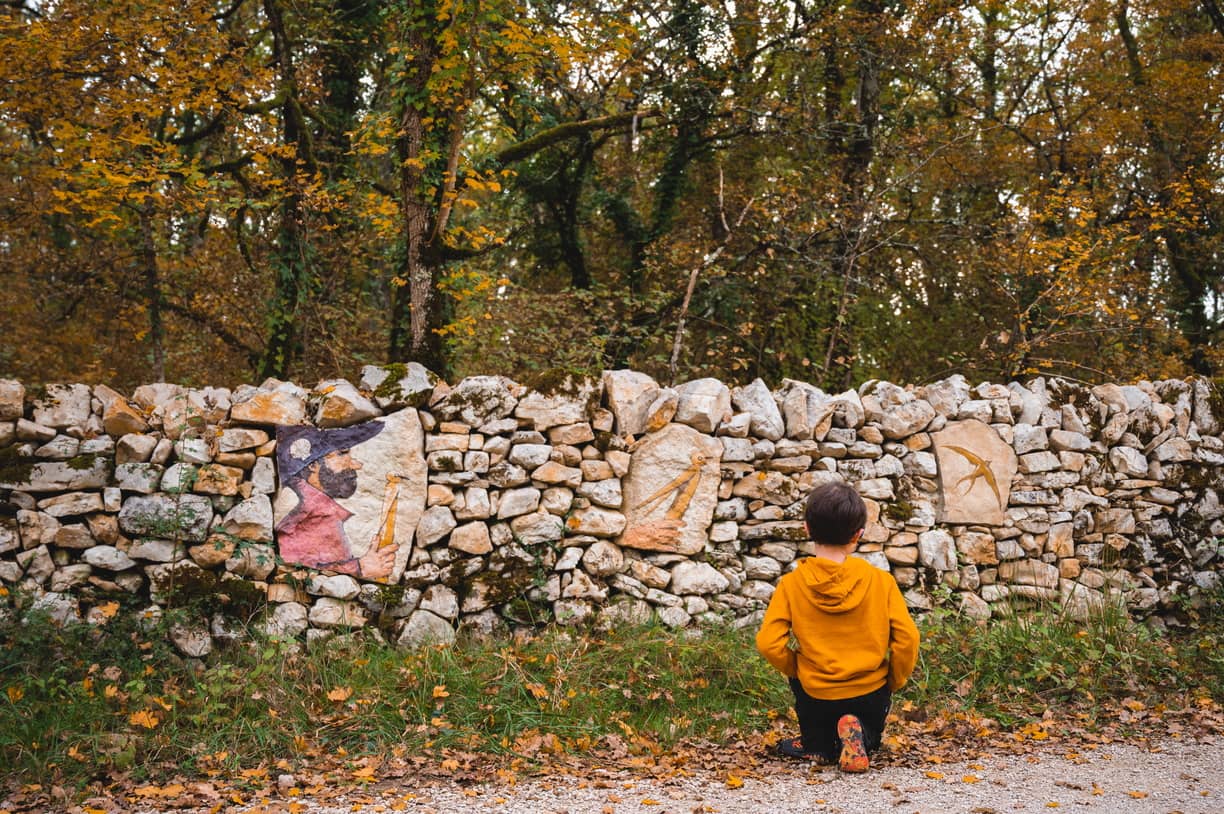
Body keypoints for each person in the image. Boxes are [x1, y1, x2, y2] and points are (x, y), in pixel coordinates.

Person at [756, 480, 920, 772]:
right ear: (858, 535)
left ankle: (816, 745)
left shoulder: (792, 585)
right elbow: (907, 638)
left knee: (818, 741)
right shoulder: (881, 582)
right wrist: (893, 679)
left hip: (817, 693)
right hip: (870, 691)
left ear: (806, 529)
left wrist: (797, 667)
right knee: (870, 736)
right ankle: (860, 736)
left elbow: (769, 643)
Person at [275, 422, 397, 581]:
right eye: (342, 453)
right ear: (312, 465)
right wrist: (359, 568)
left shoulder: (317, 510)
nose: (356, 465)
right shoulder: (301, 512)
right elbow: (295, 559)